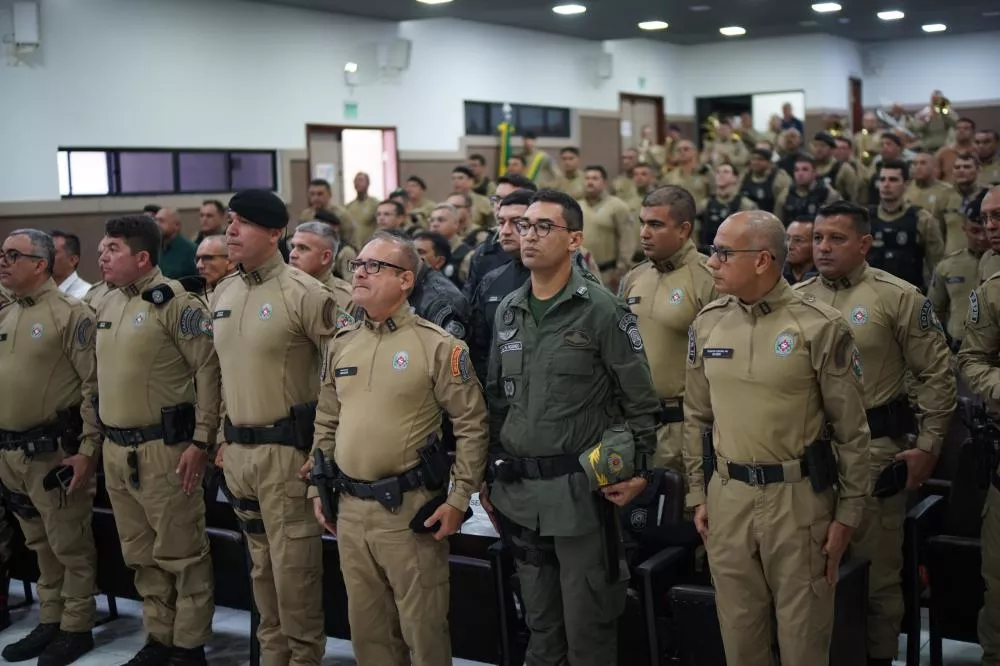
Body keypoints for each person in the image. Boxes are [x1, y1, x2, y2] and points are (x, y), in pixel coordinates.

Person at [684, 210, 871, 666]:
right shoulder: (707, 322)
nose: (712, 262)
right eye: (713, 251)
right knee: (740, 640)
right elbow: (695, 417)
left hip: (797, 499)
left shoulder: (819, 326)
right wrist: (696, 492)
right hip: (728, 496)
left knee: (803, 641)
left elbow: (852, 432)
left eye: (724, 253)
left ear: (764, 260)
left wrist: (847, 515)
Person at [482, 189, 660, 665]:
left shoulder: (602, 311)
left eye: (544, 227)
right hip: (522, 494)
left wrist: (640, 469)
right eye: (524, 226)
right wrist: (486, 472)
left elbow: (640, 401)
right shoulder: (510, 310)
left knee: (588, 630)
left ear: (575, 239)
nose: (529, 236)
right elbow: (498, 400)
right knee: (540, 629)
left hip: (581, 494)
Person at [310, 232, 488, 665]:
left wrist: (459, 499)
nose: (361, 273)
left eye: (375, 266)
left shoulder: (438, 345)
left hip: (408, 511)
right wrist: (317, 486)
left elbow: (472, 425)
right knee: (368, 633)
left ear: (406, 279)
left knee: (422, 630)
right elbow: (327, 419)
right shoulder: (343, 343)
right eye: (359, 265)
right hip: (350, 510)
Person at [796, 201, 956, 665]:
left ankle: (880, 657)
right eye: (818, 237)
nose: (822, 247)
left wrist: (929, 445)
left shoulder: (898, 297)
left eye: (836, 238)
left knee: (876, 577)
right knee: (811, 574)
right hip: (809, 453)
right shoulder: (797, 296)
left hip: (873, 450)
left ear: (864, 244)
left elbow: (936, 374)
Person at [212, 189, 352, 665]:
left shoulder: (306, 294)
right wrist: (218, 439)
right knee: (261, 575)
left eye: (243, 223)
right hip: (239, 456)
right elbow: (220, 375)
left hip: (288, 457)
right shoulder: (224, 291)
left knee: (295, 577)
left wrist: (324, 448)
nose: (231, 230)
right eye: (230, 220)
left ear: (275, 234)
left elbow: (343, 375)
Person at [95, 214, 220, 666]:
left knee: (182, 552)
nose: (101, 256)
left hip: (166, 450)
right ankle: (159, 637)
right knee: (140, 553)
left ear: (142, 257)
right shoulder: (107, 304)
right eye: (102, 248)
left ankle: (188, 646)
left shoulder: (176, 304)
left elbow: (209, 372)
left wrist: (202, 441)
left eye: (112, 249)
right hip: (116, 449)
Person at [0, 229, 101, 665]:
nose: (2, 261)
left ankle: (76, 627)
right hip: (11, 454)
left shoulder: (71, 313)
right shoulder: (7, 313)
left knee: (69, 545)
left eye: (12, 255)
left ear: (40, 264)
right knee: (38, 544)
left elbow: (94, 387)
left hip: (53, 453)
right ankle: (50, 619)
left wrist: (88, 449)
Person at [619, 186, 717, 473]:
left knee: (683, 515)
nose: (644, 233)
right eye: (643, 223)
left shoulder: (708, 278)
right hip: (636, 425)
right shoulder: (636, 277)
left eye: (656, 225)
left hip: (686, 428)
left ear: (684, 229)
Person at [955, 187, 1000, 665]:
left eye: (999, 216)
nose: (990, 225)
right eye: (986, 217)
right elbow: (973, 360)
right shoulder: (992, 292)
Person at [466, 189, 535, 382]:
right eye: (501, 222)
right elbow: (479, 348)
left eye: (517, 223)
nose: (504, 231)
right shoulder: (491, 281)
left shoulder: (566, 275)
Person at [869, 160, 945, 290]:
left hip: (910, 294)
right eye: (882, 180)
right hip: (873, 294)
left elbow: (936, 265)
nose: (886, 185)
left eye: (893, 180)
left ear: (906, 184)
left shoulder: (922, 219)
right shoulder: (865, 218)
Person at [463, 174, 539, 301]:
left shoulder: (553, 251)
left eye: (510, 199)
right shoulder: (483, 252)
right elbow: (470, 306)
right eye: (497, 199)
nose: (499, 205)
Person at [929, 190, 990, 348]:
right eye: (975, 231)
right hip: (958, 349)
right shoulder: (947, 265)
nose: (982, 237)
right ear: (964, 229)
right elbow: (933, 311)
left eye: (985, 230)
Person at [577, 165, 635, 290]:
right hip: (579, 272)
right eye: (587, 178)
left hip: (608, 274)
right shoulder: (576, 206)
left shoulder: (618, 206)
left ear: (604, 182)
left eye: (595, 178)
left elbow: (627, 239)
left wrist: (621, 270)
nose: (590, 182)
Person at [289, 221, 355, 313]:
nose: (292, 254)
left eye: (302, 248)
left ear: (325, 257)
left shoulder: (347, 299)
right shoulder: (278, 288)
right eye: (292, 247)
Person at [299, 179, 356, 247]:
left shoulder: (341, 215)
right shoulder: (305, 216)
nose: (315, 198)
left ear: (329, 194)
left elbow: (351, 242)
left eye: (320, 194)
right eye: (312, 194)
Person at [154, 208, 198, 279]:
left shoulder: (191, 249)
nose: (156, 224)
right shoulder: (155, 248)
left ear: (177, 225)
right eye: (156, 220)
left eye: (161, 221)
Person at [50, 231, 91, 299]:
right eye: (45, 252)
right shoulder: (36, 292)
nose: (45, 257)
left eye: (53, 253)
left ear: (72, 260)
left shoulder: (86, 294)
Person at [345, 172, 379, 248]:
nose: (357, 183)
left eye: (360, 180)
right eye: (355, 181)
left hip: (370, 247)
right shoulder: (349, 206)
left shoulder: (375, 204)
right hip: (353, 247)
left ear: (368, 183)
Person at [783, 218, 818, 285]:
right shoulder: (776, 274)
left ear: (814, 243)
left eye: (798, 240)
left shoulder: (825, 276)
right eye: (787, 238)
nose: (789, 246)